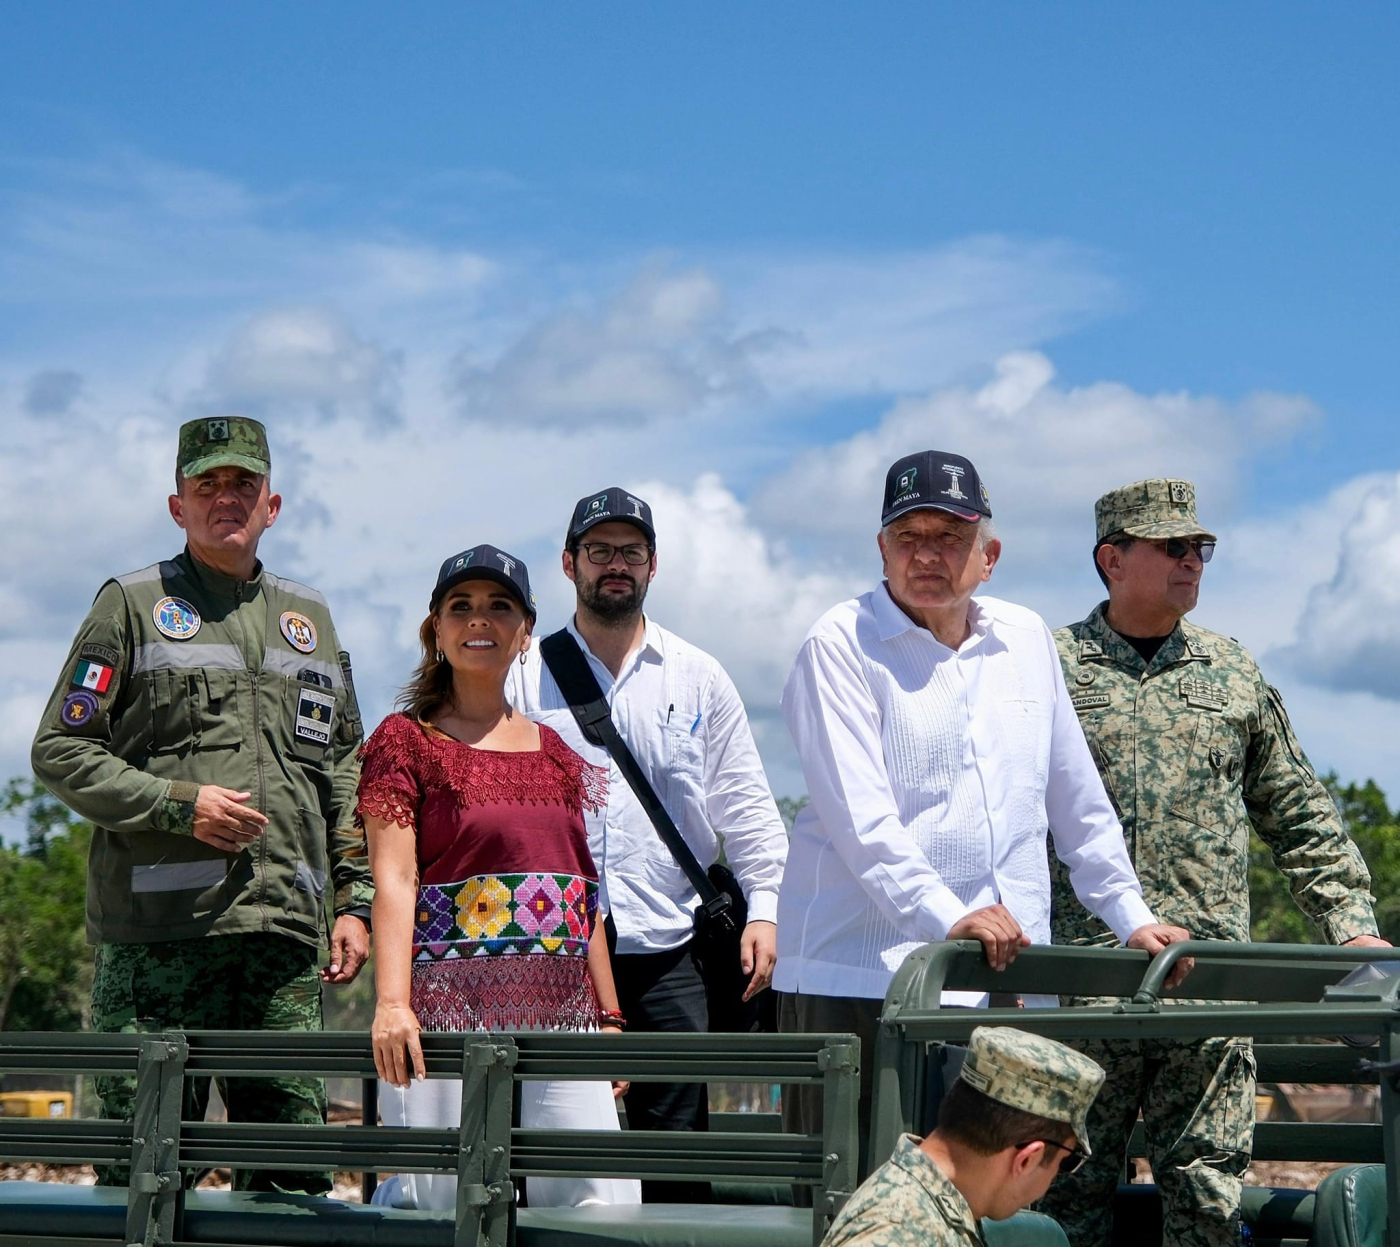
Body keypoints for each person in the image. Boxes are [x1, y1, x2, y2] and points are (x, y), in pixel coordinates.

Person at [776, 450, 1189, 1182]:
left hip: (1006, 982)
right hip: (861, 980)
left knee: (998, 1199)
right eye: (909, 537)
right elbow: (860, 821)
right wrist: (949, 914)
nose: (927, 554)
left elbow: (1075, 798)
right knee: (859, 1200)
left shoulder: (1027, 640)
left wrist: (1131, 913)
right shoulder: (837, 644)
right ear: (881, 549)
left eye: (950, 537)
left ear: (988, 555)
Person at [1039, 478, 1388, 1247]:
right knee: (1062, 1196)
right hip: (1082, 988)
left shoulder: (1232, 670)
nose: (1192, 560)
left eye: (1200, 546)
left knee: (1205, 1199)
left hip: (1212, 991)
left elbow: (1297, 810)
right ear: (1112, 558)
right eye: (1172, 546)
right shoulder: (1047, 667)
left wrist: (1351, 927)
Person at [30, 417, 371, 1193]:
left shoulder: (309, 618)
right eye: (207, 484)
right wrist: (181, 805)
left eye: (242, 484)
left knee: (290, 1184)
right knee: (142, 1180)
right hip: (156, 946)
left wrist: (353, 900)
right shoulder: (132, 604)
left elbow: (345, 767)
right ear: (177, 505)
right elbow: (61, 748)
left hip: (282, 943)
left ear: (272, 504)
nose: (227, 498)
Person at [507, 486, 789, 1201]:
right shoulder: (520, 674)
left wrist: (765, 910)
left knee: (676, 1151)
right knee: (557, 1151)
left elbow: (748, 809)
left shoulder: (699, 675)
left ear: (653, 565)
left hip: (671, 950)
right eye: (599, 551)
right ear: (569, 562)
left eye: (631, 552)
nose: (616, 565)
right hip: (554, 953)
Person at [361, 544, 639, 1210]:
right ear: (436, 629)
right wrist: (393, 1004)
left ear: (524, 632)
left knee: (601, 1200)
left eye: (498, 606)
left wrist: (609, 1019)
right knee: (440, 1202)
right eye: (460, 606)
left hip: (561, 1011)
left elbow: (582, 897)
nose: (478, 619)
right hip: (444, 1007)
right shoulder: (405, 742)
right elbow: (394, 880)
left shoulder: (558, 755)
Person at [823, 1026, 1105, 1247]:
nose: (1052, 1182)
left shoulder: (933, 1210)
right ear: (1027, 1159)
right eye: (1065, 1162)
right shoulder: (901, 1229)